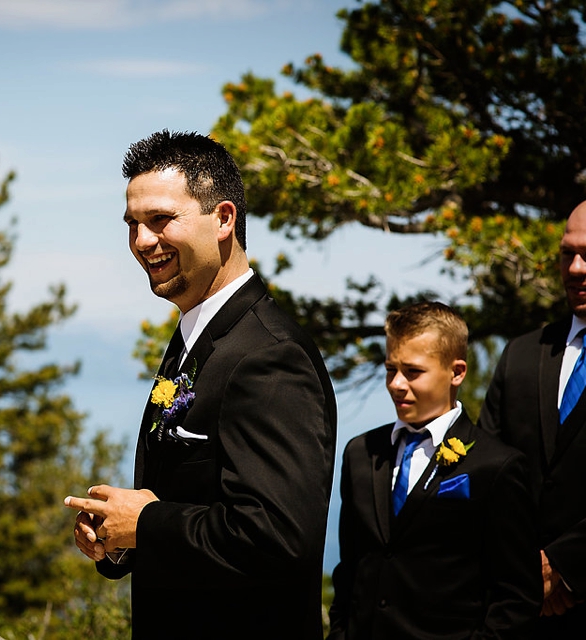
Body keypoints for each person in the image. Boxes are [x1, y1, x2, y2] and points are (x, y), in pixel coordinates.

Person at [64, 130, 337, 638]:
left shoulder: (269, 355)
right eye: (133, 225)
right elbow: (187, 501)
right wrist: (120, 538)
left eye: (161, 220)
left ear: (224, 219)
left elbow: (277, 537)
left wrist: (146, 524)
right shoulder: (195, 337)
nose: (143, 241)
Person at [328, 301, 541, 639]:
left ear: (457, 372)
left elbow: (516, 597)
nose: (396, 384)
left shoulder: (496, 466)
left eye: (412, 371)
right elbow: (350, 568)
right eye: (389, 369)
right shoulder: (361, 453)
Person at [479, 200, 586, 637]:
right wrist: (523, 567)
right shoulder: (522, 354)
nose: (576, 268)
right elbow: (486, 471)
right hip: (517, 614)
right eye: (567, 253)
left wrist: (566, 564)